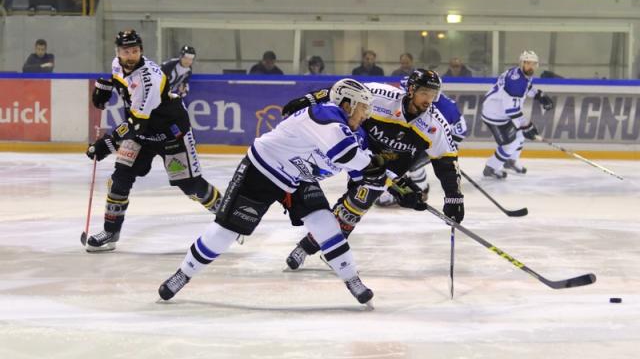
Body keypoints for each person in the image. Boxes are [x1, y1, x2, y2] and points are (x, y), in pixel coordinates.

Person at [157, 79, 387, 305]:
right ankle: (183, 274)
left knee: (325, 222)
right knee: (226, 232)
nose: (367, 114)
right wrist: (371, 166)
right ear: (347, 104)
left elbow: (360, 173)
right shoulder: (325, 114)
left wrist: (395, 188)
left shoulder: (353, 133)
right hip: (262, 170)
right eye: (364, 107)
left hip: (298, 177)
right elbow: (345, 155)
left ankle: (352, 279)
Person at [280, 69, 464, 271]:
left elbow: (447, 162)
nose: (429, 100)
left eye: (433, 95)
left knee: (354, 208)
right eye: (425, 94)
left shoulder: (434, 124)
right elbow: (343, 91)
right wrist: (309, 100)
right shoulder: (382, 96)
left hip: (388, 168)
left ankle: (308, 247)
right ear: (411, 90)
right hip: (357, 149)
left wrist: (454, 197)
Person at [84, 30, 223, 252]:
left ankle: (226, 216)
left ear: (141, 51)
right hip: (142, 134)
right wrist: (107, 89)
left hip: (171, 133)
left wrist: (107, 144)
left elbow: (135, 123)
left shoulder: (149, 81)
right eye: (126, 51)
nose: (131, 55)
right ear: (117, 52)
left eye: (135, 51)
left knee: (190, 186)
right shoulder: (117, 64)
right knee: (120, 177)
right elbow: (121, 84)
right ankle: (111, 231)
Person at [376, 74, 467, 207]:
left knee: (410, 161)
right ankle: (420, 187)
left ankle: (420, 190)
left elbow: (460, 132)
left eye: (431, 93)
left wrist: (445, 151)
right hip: (424, 135)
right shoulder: (406, 98)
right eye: (424, 92)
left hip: (444, 139)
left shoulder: (445, 110)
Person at [481, 50, 554, 179]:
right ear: (522, 63)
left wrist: (540, 96)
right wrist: (527, 126)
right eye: (527, 63)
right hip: (495, 115)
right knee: (510, 144)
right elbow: (511, 110)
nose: (530, 66)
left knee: (520, 137)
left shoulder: (521, 75)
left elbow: (528, 88)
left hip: (501, 111)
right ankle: (491, 168)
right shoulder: (516, 82)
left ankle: (510, 162)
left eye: (533, 64)